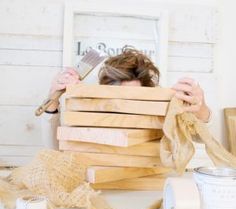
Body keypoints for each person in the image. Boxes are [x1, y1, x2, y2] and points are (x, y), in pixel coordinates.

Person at [41, 48, 211, 149]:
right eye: (121, 101)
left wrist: (201, 112)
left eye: (135, 101)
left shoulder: (161, 112)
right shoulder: (89, 112)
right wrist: (52, 101)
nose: (128, 110)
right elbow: (54, 148)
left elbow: (201, 139)